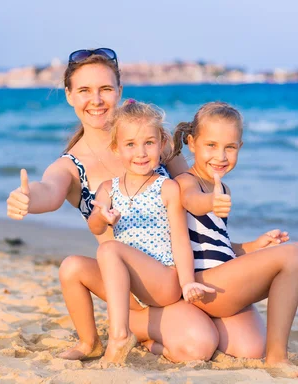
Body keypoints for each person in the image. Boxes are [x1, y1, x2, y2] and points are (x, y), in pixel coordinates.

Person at [6, 48, 219, 363]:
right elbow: (49, 191)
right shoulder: (70, 165)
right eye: (84, 91)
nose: (96, 99)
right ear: (69, 95)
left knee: (201, 346)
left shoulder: (153, 144)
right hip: (125, 293)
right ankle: (90, 341)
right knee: (73, 267)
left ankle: (143, 333)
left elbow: (193, 199)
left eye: (105, 89)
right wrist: (26, 198)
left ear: (119, 91)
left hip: (168, 278)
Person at [173, 102, 298, 377]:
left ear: (240, 146)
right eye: (211, 145)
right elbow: (192, 201)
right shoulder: (186, 181)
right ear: (192, 143)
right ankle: (277, 359)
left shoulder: (224, 186)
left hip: (225, 276)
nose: (221, 155)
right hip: (203, 285)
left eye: (230, 147)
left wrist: (254, 247)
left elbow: (218, 246)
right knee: (291, 257)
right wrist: (210, 202)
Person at [87, 100, 215, 364]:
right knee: (71, 267)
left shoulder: (167, 188)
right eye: (130, 144)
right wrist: (101, 218)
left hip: (163, 281)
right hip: (132, 286)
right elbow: (95, 226)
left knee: (109, 249)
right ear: (116, 148)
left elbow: (180, 239)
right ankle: (88, 341)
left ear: (161, 143)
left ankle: (119, 335)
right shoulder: (107, 189)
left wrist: (186, 281)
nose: (141, 152)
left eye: (149, 143)